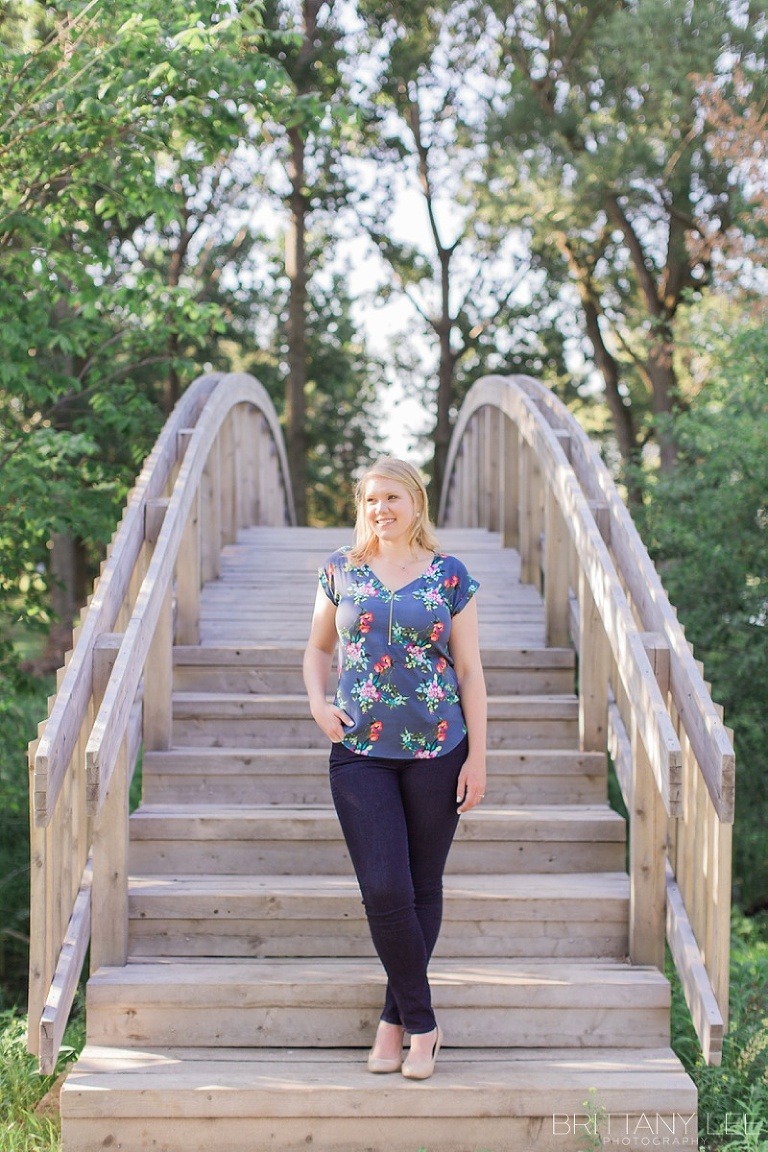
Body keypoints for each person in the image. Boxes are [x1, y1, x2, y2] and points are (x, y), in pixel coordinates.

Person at [303, 457, 487, 1081]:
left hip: (439, 746)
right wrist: (317, 702)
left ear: (416, 502)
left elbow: (470, 672)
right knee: (385, 888)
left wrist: (479, 757)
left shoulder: (450, 575)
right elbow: (317, 648)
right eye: (371, 499)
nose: (381, 509)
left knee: (421, 886)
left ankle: (393, 1022)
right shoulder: (341, 568)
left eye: (393, 498)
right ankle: (425, 1024)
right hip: (359, 750)